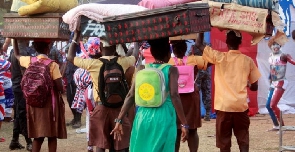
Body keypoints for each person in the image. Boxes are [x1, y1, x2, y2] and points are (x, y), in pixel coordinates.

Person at [111, 37, 189, 152]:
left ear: (151, 52)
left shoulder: (141, 68)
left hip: (142, 116)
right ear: (168, 53)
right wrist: (184, 123)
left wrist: (119, 120)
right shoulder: (171, 70)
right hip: (164, 116)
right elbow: (174, 96)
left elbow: (130, 96)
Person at [67, 28, 137, 152]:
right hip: (119, 109)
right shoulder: (122, 62)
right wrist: (136, 39)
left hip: (101, 108)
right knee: (121, 145)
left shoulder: (92, 63)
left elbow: (70, 57)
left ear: (100, 47)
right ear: (115, 48)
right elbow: (135, 56)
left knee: (101, 144)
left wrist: (76, 38)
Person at [195, 30, 261, 152]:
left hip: (223, 107)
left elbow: (199, 44)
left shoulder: (219, 57)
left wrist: (202, 26)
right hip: (240, 108)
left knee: (224, 144)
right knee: (243, 141)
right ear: (240, 42)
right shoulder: (248, 61)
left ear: (226, 42)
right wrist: (247, 84)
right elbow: (255, 87)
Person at [13, 38, 67, 152]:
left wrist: (14, 39)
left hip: (34, 104)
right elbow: (60, 88)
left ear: (35, 48)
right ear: (48, 49)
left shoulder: (29, 61)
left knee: (38, 137)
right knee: (52, 136)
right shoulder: (53, 65)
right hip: (49, 104)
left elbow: (16, 54)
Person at [168, 40, 208, 152]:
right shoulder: (194, 59)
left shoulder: (169, 62)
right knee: (193, 129)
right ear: (186, 48)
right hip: (191, 98)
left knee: (175, 130)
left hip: (174, 98)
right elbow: (210, 60)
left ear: (173, 49)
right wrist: (198, 43)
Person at [5, 39, 34, 151]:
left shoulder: (13, 51)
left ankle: (14, 140)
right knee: (22, 113)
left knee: (18, 113)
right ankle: (28, 142)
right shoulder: (23, 52)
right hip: (22, 87)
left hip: (16, 85)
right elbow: (24, 71)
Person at [265, 34, 295, 131]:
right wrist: (270, 82)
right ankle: (276, 125)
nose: (275, 46)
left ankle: (282, 126)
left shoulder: (283, 56)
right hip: (273, 83)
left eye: (277, 44)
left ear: (280, 46)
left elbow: (293, 62)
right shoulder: (270, 56)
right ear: (271, 46)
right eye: (273, 44)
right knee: (268, 105)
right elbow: (271, 69)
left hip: (281, 82)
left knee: (273, 105)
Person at [193, 45, 212, 121]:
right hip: (206, 71)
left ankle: (196, 114)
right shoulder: (207, 46)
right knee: (207, 92)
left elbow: (189, 58)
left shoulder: (194, 47)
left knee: (196, 93)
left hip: (198, 71)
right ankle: (208, 114)